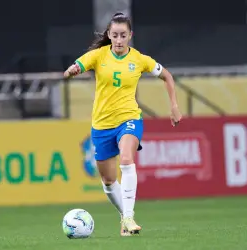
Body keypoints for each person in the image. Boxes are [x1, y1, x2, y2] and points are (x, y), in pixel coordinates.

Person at [63, 12, 182, 236]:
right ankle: (124, 216)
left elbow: (167, 76)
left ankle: (128, 218)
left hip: (129, 118)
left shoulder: (139, 59)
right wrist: (72, 70)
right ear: (109, 35)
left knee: (126, 159)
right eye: (115, 35)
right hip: (101, 125)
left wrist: (174, 105)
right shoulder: (98, 56)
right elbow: (79, 64)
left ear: (130, 36)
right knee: (108, 181)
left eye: (123, 35)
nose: (119, 40)